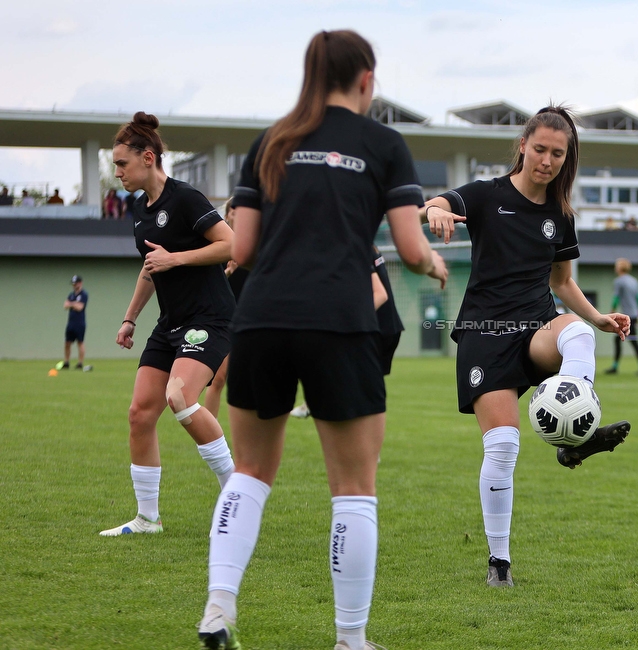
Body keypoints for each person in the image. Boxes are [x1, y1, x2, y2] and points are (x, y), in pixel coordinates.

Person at [197, 31, 447, 650]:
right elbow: (413, 251)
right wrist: (435, 267)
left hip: (260, 319)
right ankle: (350, 639)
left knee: (250, 471)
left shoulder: (271, 141)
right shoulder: (385, 144)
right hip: (339, 320)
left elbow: (244, 248)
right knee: (354, 488)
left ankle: (218, 606)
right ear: (366, 80)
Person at [423, 105, 632, 588]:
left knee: (577, 333)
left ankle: (574, 438)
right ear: (523, 145)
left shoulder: (560, 215)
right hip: (484, 334)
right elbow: (436, 201)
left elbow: (562, 282)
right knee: (502, 446)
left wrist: (598, 319)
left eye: (558, 153)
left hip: (536, 327)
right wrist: (435, 211)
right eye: (540, 149)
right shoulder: (486, 195)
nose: (547, 160)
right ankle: (499, 564)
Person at [100, 111, 237, 537]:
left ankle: (238, 497)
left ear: (147, 157)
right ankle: (147, 519)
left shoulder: (187, 198)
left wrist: (175, 258)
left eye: (122, 163)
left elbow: (230, 243)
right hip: (170, 321)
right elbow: (150, 268)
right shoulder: (139, 213)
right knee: (140, 414)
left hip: (210, 318)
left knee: (179, 395)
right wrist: (129, 318)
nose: (117, 172)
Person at [290, 245, 398, 419]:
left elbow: (380, 295)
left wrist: (350, 320)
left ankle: (318, 404)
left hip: (377, 327)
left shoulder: (354, 247)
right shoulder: (364, 246)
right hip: (386, 326)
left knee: (352, 386)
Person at [204, 199, 247, 419]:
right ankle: (210, 436)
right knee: (218, 378)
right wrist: (228, 273)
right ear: (229, 214)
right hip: (223, 320)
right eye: (238, 211)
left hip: (249, 319)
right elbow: (207, 286)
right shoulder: (219, 244)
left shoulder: (252, 245)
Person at [604, 257, 638, 375]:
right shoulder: (634, 281)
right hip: (634, 314)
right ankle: (618, 366)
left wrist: (612, 310)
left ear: (620, 267)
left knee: (631, 339)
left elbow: (616, 297)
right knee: (626, 339)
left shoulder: (619, 281)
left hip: (626, 315)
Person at [57, 275, 88, 370]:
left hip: (80, 323)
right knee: (67, 342)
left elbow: (80, 307)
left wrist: (72, 304)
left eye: (76, 283)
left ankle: (80, 363)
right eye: (73, 284)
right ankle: (66, 362)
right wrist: (74, 304)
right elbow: (65, 305)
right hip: (71, 322)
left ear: (80, 283)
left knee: (80, 342)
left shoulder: (84, 294)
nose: (74, 285)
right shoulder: (71, 295)